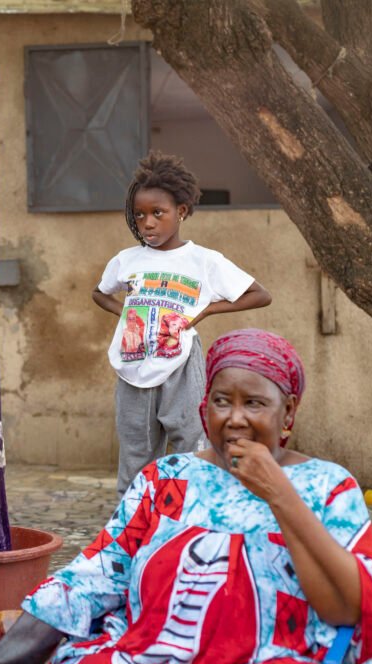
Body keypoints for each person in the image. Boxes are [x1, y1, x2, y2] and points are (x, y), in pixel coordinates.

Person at [0, 329, 372, 664]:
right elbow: (92, 577)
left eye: (254, 403)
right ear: (203, 407)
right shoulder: (166, 480)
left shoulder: (327, 486)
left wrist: (280, 496)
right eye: (222, 401)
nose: (235, 418)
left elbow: (347, 610)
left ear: (288, 412)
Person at [92, 152, 272, 496]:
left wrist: (205, 312)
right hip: (133, 363)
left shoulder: (203, 261)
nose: (147, 223)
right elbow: (99, 293)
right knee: (136, 449)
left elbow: (260, 294)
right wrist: (127, 314)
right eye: (140, 215)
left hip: (180, 364)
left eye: (158, 213)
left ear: (182, 211)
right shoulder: (127, 260)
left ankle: (193, 512)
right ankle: (135, 516)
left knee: (190, 440)